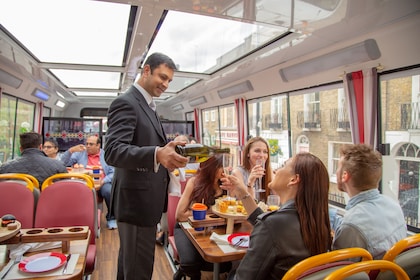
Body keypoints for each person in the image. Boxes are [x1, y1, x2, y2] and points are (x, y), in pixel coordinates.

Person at [104, 52, 189, 280]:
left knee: (130, 268)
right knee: (138, 271)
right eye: (162, 77)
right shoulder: (126, 102)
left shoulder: (148, 105)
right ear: (146, 71)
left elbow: (146, 144)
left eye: (169, 80)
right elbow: (113, 151)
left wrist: (167, 148)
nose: (165, 84)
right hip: (136, 204)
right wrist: (157, 153)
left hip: (145, 203)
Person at [221, 152, 332, 279]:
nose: (276, 170)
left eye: (284, 166)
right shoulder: (317, 221)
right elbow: (268, 225)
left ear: (293, 180)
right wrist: (242, 191)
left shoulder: (272, 225)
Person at [330, 143, 407, 259]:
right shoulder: (393, 205)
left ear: (344, 176)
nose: (336, 172)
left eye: (338, 167)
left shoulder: (351, 225)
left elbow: (339, 270)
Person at [173, 154, 231, 280]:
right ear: (211, 168)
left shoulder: (227, 186)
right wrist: (212, 211)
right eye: (222, 167)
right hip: (187, 228)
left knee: (225, 263)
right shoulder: (194, 182)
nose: (225, 170)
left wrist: (233, 190)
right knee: (190, 263)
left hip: (214, 229)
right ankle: (188, 272)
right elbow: (180, 215)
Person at [60, 135, 116, 229]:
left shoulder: (106, 155)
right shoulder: (79, 154)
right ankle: (74, 219)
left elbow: (113, 173)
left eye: (91, 144)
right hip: (82, 182)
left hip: (101, 183)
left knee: (109, 191)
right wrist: (70, 151)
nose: (88, 146)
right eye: (87, 144)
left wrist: (104, 181)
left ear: (98, 145)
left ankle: (111, 218)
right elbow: (63, 164)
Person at [0, 132, 68, 187]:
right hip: (47, 202)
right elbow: (65, 187)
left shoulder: (5, 168)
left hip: (15, 202)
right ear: (41, 147)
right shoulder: (58, 166)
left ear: (21, 149)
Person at [232, 136, 273, 202]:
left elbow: (277, 199)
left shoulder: (268, 172)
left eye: (265, 152)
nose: (262, 155)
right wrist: (250, 183)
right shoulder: (238, 173)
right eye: (257, 151)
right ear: (248, 153)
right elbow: (247, 203)